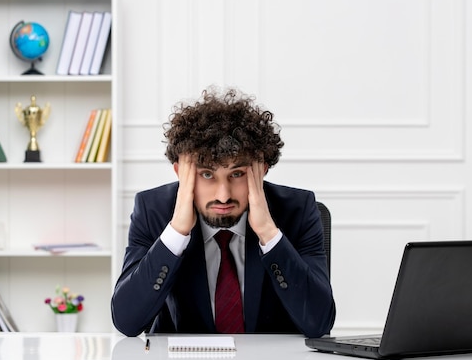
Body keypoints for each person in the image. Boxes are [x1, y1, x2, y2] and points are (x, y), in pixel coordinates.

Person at [111, 86, 336, 338]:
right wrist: (176, 232)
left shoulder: (298, 210)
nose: (223, 195)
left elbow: (319, 323)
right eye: (207, 174)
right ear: (180, 173)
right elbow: (127, 321)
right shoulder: (153, 210)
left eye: (237, 174)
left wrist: (268, 234)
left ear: (262, 170)